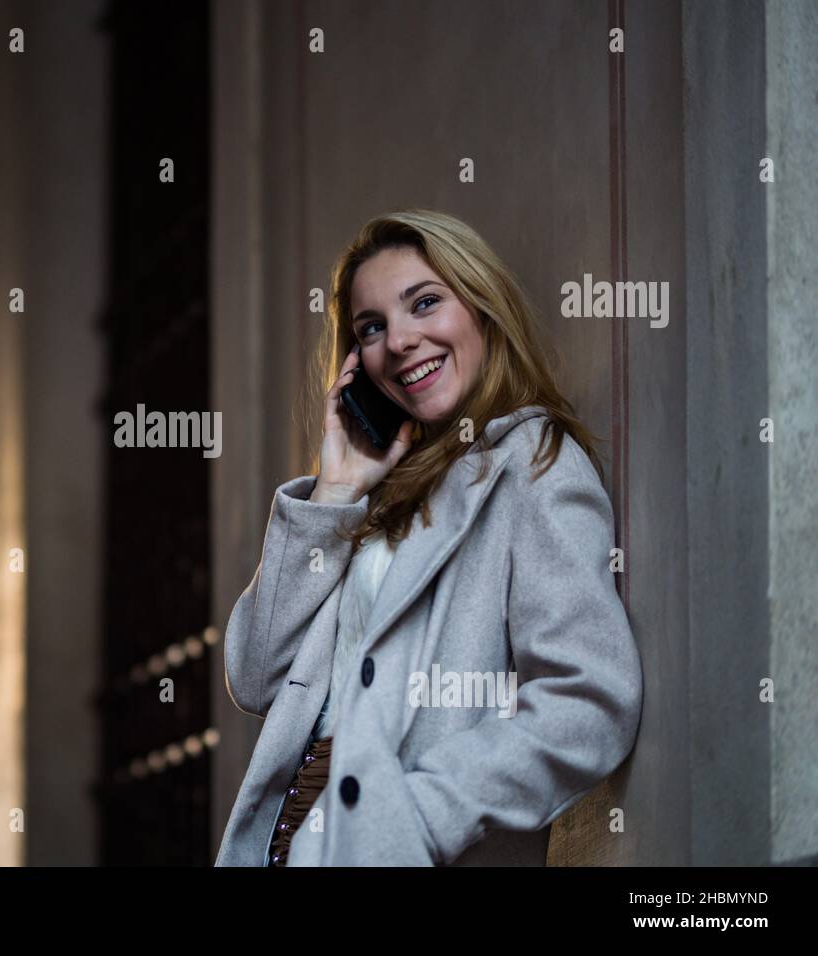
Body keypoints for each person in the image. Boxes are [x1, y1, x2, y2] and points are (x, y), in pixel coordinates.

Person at [215, 209, 644, 867]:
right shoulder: (372, 497)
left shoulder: (532, 462)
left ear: (480, 307)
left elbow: (589, 700)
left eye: (424, 303)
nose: (402, 340)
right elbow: (255, 674)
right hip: (289, 836)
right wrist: (334, 492)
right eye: (373, 328)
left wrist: (415, 814)